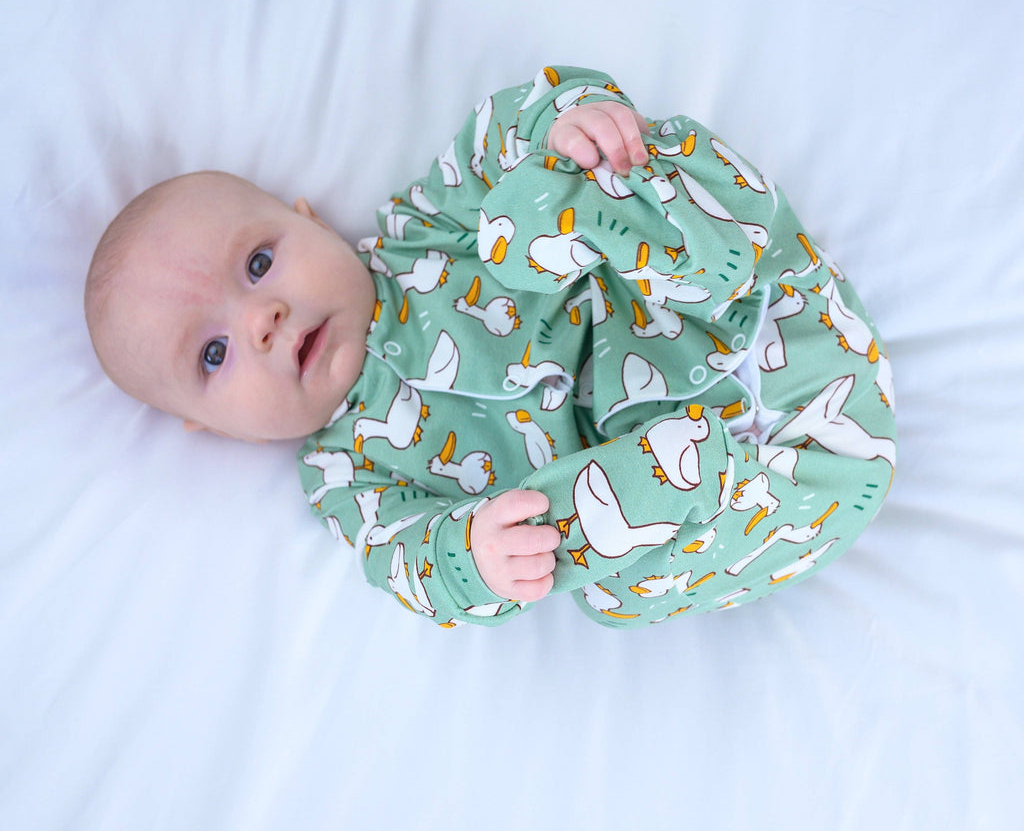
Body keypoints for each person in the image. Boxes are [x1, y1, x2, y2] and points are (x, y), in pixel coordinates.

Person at [85, 65, 896, 628]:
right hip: (773, 486)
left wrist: (563, 126)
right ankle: (670, 478)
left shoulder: (423, 231)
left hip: (741, 311)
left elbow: (498, 131)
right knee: (591, 579)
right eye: (213, 355)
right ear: (209, 427)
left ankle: (664, 235)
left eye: (259, 262)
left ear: (311, 219)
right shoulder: (347, 475)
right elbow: (407, 564)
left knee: (526, 213)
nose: (261, 318)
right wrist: (472, 556)